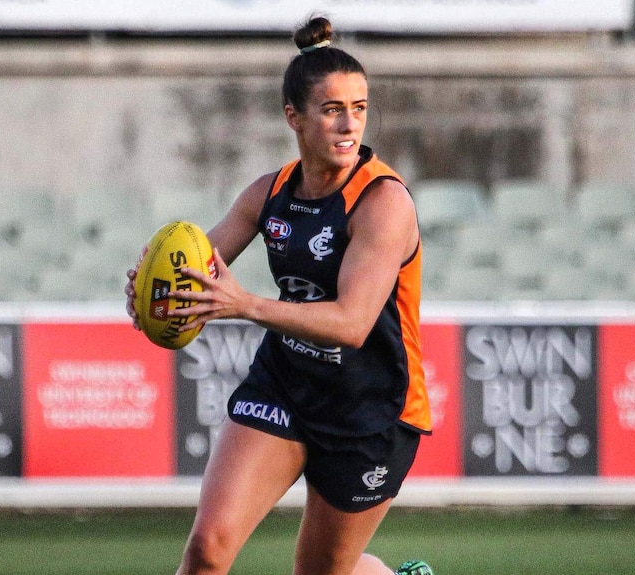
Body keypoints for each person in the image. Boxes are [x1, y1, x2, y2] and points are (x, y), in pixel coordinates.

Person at [126, 15, 433, 575]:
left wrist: (244, 305)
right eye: (332, 109)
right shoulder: (268, 193)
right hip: (286, 385)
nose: (349, 125)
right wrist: (155, 290)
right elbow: (199, 270)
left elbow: (351, 324)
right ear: (293, 116)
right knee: (206, 551)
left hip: (371, 408)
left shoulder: (383, 203)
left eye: (359, 108)